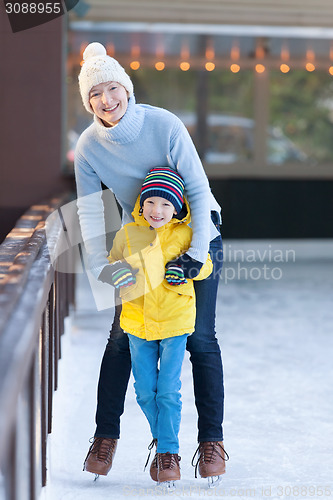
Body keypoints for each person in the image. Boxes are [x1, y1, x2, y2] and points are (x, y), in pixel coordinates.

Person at [75, 41, 228, 484]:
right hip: (139, 242)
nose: (107, 100)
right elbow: (90, 213)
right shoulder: (88, 146)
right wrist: (107, 268)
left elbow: (198, 193)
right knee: (122, 337)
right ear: (88, 102)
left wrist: (195, 254)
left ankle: (211, 441)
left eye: (112, 89)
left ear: (127, 87)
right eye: (95, 94)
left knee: (199, 338)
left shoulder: (164, 125)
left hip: (197, 234)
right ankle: (105, 436)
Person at [105, 167, 212, 485]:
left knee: (167, 390)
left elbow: (204, 265)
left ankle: (168, 452)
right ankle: (163, 438)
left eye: (166, 205)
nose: (157, 210)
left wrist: (187, 268)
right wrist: (117, 273)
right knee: (142, 391)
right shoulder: (127, 234)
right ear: (140, 204)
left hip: (174, 321)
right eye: (151, 202)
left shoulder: (186, 235)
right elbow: (110, 264)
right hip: (137, 323)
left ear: (177, 208)